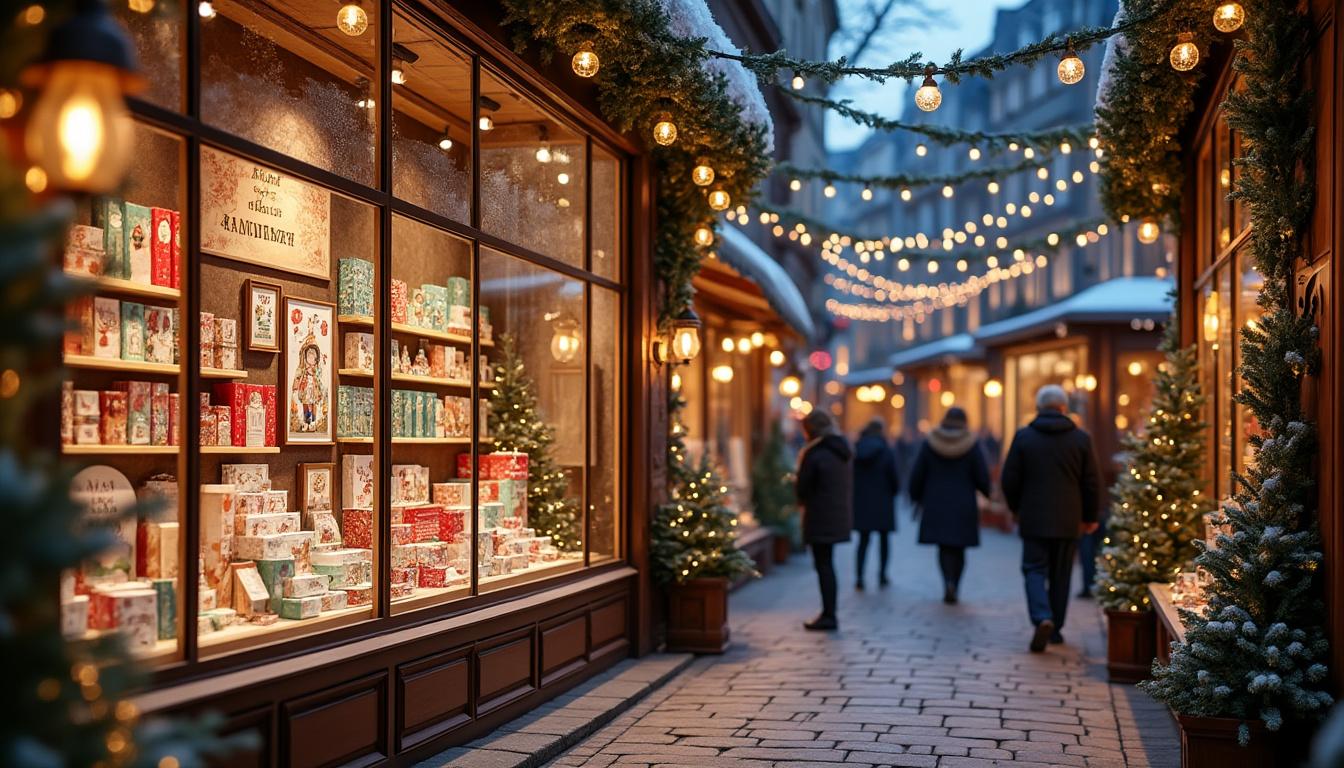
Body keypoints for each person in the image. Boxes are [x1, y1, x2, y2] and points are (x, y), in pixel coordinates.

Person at [1001, 384, 1102, 653]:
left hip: (1033, 517)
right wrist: (1090, 517)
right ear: (1064, 408)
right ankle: (1055, 628)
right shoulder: (1081, 439)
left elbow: (1009, 479)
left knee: (1033, 569)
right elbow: (1091, 482)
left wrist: (1015, 508)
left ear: (1038, 407)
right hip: (1069, 519)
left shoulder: (1023, 437)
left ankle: (1040, 616)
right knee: (1061, 574)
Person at [908, 407, 990, 605]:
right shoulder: (971, 444)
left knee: (944, 547)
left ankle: (947, 581)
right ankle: (955, 583)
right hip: (963, 503)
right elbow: (981, 474)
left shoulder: (931, 442)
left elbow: (918, 473)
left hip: (936, 502)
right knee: (959, 548)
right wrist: (987, 492)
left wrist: (916, 496)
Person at [795, 410, 854, 631]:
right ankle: (829, 612)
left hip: (820, 515)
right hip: (836, 514)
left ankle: (829, 615)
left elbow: (804, 487)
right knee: (827, 563)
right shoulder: (840, 449)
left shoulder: (816, 453)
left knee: (824, 565)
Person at [852, 418, 899, 590]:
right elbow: (893, 476)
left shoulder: (857, 449)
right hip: (883, 500)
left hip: (862, 500)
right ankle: (882, 575)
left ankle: (859, 577)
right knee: (884, 540)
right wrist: (893, 492)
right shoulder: (886, 450)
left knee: (863, 541)